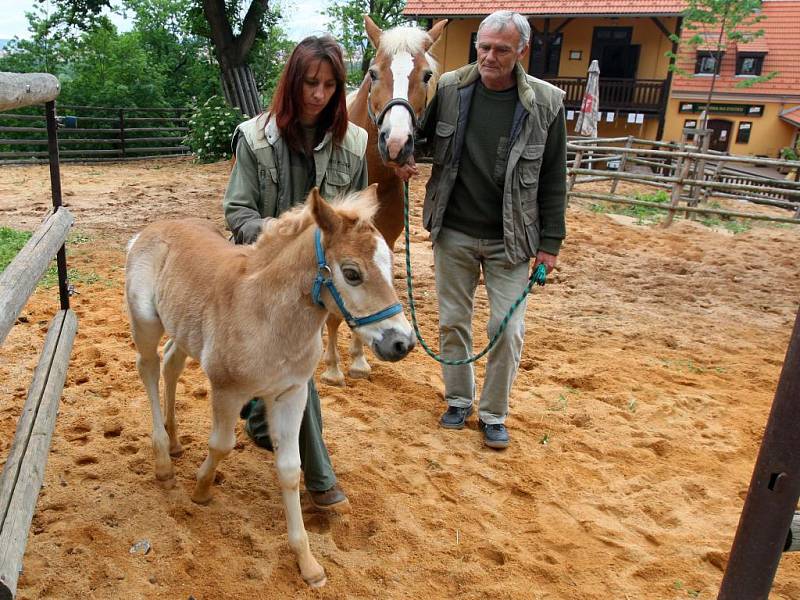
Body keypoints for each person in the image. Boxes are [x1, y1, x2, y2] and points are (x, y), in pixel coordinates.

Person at [396, 11, 567, 449]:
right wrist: (404, 157)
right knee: (453, 321)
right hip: (453, 229)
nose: (490, 56)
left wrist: (550, 245)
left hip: (511, 238)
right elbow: (421, 135)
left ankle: (493, 414)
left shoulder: (547, 103)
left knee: (506, 330)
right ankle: (457, 400)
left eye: (501, 49)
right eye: (484, 47)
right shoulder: (451, 87)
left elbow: (553, 178)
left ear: (522, 52)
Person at [223, 35, 368, 509]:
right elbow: (237, 213)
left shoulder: (357, 144)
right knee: (288, 376)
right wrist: (285, 240)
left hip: (317, 283)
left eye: (329, 84)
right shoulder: (253, 137)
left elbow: (357, 220)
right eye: (310, 82)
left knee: (298, 369)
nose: (319, 94)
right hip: (260, 274)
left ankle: (311, 471)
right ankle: (319, 478)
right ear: (292, 82)